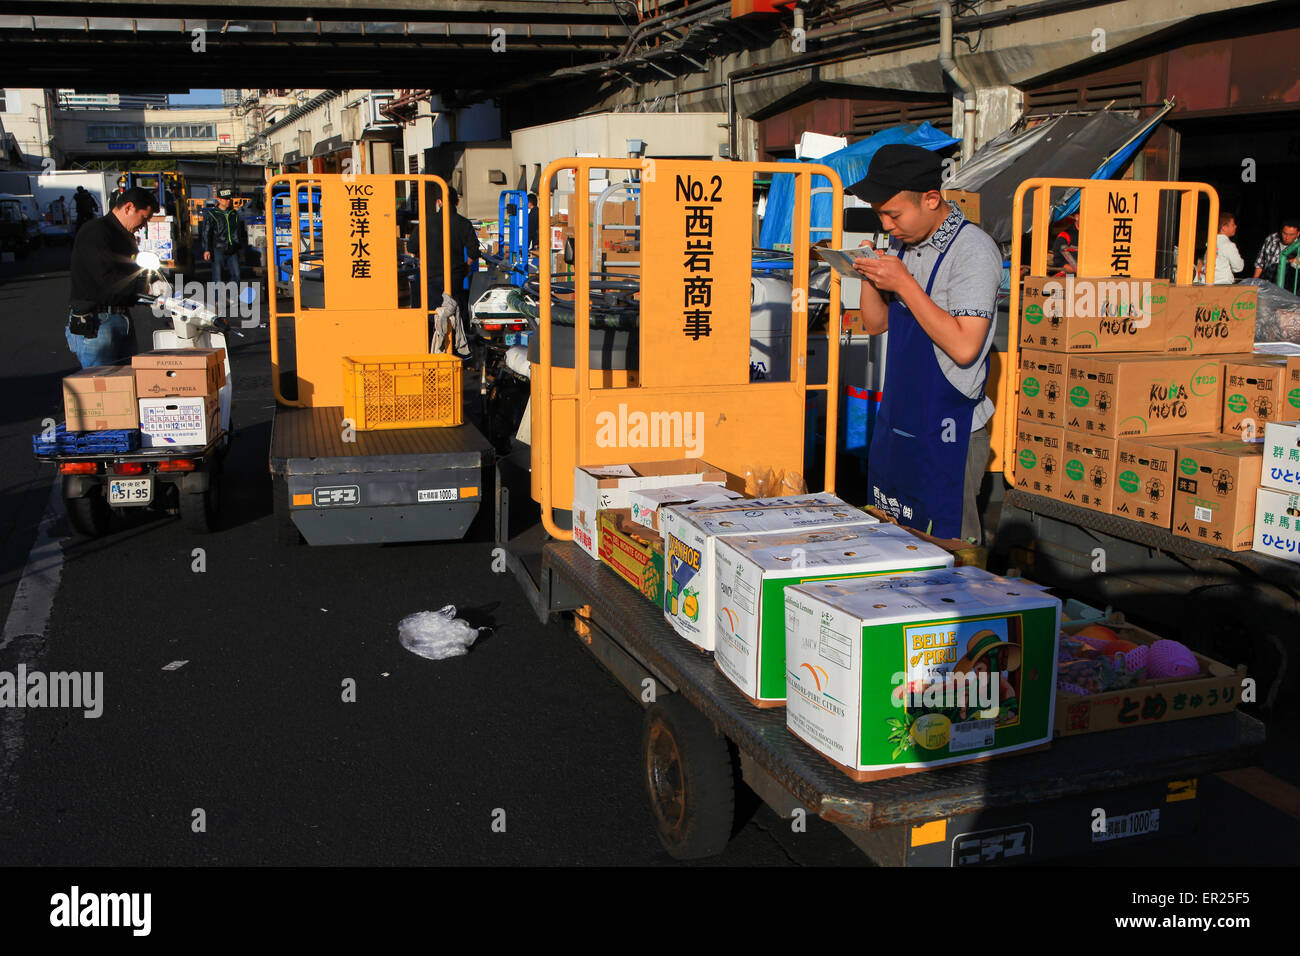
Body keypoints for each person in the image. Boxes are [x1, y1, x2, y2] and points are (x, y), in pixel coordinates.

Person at [848, 144, 1003, 544]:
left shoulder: (973, 250)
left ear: (932, 199)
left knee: (948, 547)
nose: (886, 225)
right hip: (901, 419)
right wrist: (869, 274)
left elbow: (966, 346)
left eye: (893, 214)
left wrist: (903, 283)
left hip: (948, 432)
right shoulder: (902, 243)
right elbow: (876, 323)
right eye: (880, 214)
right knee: (894, 537)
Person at [66, 186, 159, 368]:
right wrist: (144, 291)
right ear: (129, 208)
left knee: (126, 385)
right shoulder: (96, 232)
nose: (144, 225)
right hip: (97, 322)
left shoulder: (124, 236)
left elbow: (132, 272)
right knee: (101, 386)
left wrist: (151, 282)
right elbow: (107, 280)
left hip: (119, 316)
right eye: (144, 218)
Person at [409, 184, 480, 337]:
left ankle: (432, 345)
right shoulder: (463, 223)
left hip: (431, 276)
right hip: (455, 277)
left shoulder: (427, 222)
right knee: (455, 311)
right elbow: (474, 250)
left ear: (439, 202)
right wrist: (465, 267)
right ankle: (456, 345)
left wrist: (424, 257)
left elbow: (412, 246)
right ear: (457, 203)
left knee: (432, 313)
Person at [201, 187, 248, 285]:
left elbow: (238, 232)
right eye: (226, 199)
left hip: (233, 249)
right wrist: (206, 249)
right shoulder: (212, 214)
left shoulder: (234, 213)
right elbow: (206, 233)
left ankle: (232, 296)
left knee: (237, 275)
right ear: (219, 200)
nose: (228, 201)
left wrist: (240, 248)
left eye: (229, 198)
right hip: (218, 249)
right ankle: (218, 299)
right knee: (217, 277)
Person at [1254, 217, 1300, 286]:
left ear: (1298, 234)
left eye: (1291, 235)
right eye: (1285, 233)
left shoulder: (1298, 247)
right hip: (1266, 284)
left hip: (1287, 289)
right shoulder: (1272, 239)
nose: (1287, 237)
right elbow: (1260, 263)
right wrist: (1254, 283)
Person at [1213, 213, 1244, 285]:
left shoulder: (1210, 243)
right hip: (1223, 284)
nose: (1235, 226)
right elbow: (1238, 267)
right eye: (1232, 225)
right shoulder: (1228, 245)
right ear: (1224, 227)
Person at [1049, 213, 1078, 277]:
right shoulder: (1065, 236)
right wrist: (1067, 266)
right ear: (1077, 217)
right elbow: (1057, 261)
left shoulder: (1091, 236)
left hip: (1085, 279)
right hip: (1067, 278)